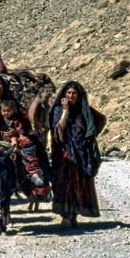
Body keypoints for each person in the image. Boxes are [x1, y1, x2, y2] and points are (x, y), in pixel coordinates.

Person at [49, 81, 107, 227]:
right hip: (64, 153)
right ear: (64, 94)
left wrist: (91, 136)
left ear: (79, 96)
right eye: (68, 93)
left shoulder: (84, 111)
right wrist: (66, 111)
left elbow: (101, 119)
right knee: (64, 183)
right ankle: (66, 215)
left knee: (78, 184)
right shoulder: (58, 109)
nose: (71, 96)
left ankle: (73, 214)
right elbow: (58, 130)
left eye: (74, 93)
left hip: (81, 152)